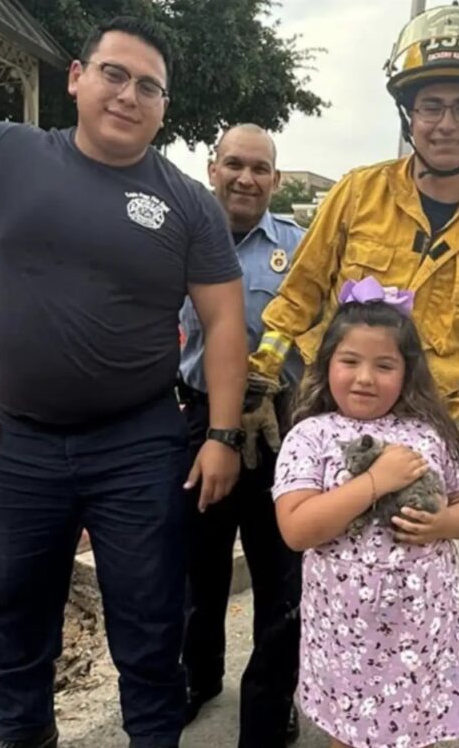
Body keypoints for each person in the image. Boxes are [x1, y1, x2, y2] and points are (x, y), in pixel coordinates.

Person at [0, 13, 248, 748]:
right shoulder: (6, 150)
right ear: (76, 78)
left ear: (165, 107)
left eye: (149, 87)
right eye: (114, 75)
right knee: (16, 623)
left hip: (139, 445)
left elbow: (224, 322)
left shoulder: (188, 202)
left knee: (151, 626)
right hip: (20, 445)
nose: (129, 96)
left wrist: (222, 435)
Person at [244, 4, 459, 514]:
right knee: (334, 556)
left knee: (415, 566)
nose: (446, 124)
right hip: (340, 421)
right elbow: (300, 294)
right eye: (431, 106)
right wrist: (259, 383)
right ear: (409, 114)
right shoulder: (357, 194)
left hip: (435, 429)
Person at [273, 276, 459, 748]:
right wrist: (376, 481)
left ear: (407, 373)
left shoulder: (431, 433)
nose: (365, 377)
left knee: (413, 729)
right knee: (351, 734)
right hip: (345, 631)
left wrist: (444, 523)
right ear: (327, 363)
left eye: (384, 365)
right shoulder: (310, 436)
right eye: (349, 361)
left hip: (419, 626)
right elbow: (296, 528)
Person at [177, 124, 302, 745]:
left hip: (283, 428)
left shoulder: (301, 253)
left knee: (281, 574)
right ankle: (198, 679)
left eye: (260, 168)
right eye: (234, 164)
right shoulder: (180, 242)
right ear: (212, 168)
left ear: (276, 180)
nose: (246, 178)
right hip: (198, 419)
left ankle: (270, 705)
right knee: (197, 565)